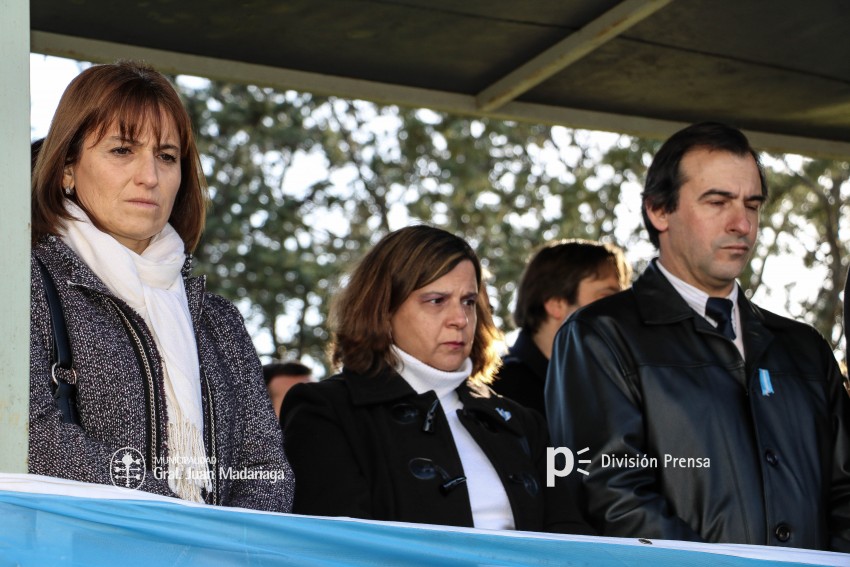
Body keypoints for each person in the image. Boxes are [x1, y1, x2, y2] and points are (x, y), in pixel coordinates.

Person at [546, 122, 850, 550]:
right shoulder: (599, 336)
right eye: (717, 202)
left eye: (752, 204)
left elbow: (845, 491)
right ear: (658, 210)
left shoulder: (805, 348)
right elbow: (610, 494)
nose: (742, 223)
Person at [29, 60, 293, 512]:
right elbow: (30, 432)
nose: (149, 176)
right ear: (66, 168)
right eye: (122, 151)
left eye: (166, 156)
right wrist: (173, 519)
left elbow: (265, 467)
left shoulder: (219, 320)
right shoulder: (25, 284)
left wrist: (230, 546)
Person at [281, 225, 591, 533]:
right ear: (383, 309)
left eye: (469, 301)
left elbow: (571, 537)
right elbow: (334, 549)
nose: (461, 319)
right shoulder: (324, 411)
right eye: (436, 301)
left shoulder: (524, 423)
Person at [493, 239, 630, 416]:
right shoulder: (500, 390)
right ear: (556, 305)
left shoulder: (612, 385)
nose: (622, 309)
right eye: (607, 297)